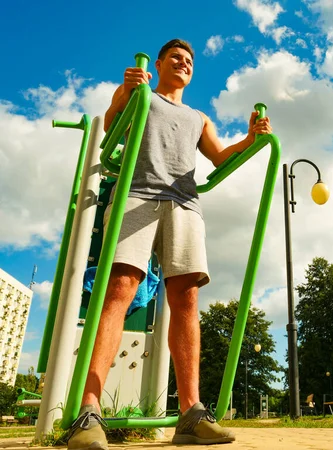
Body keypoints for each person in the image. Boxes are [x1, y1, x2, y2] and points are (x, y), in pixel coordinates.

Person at [67, 39, 272, 449]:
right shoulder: (140, 91)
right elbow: (111, 124)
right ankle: (89, 411)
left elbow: (218, 157)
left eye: (190, 61)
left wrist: (250, 139)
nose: (184, 63)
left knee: (187, 298)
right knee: (120, 288)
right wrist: (126, 91)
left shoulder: (198, 116)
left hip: (185, 203)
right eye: (176, 57)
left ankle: (191, 414)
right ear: (159, 64)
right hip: (136, 195)